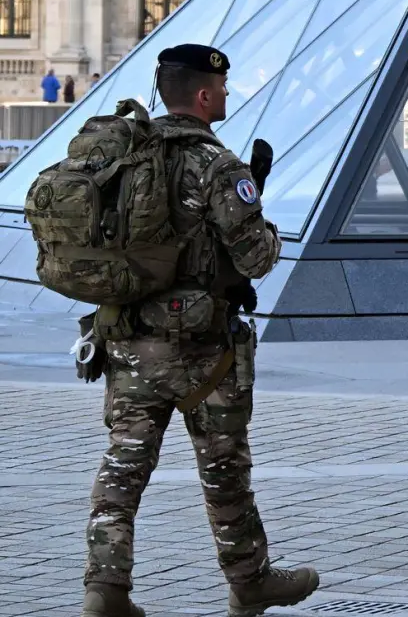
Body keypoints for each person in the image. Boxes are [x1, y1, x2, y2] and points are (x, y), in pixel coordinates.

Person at [82, 44, 318, 617]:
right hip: (204, 350)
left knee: (123, 465)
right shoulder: (218, 165)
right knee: (223, 466)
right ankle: (249, 581)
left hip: (128, 338)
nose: (229, 93)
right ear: (205, 95)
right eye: (224, 86)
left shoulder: (125, 155)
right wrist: (265, 224)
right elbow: (257, 257)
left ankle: (105, 589)